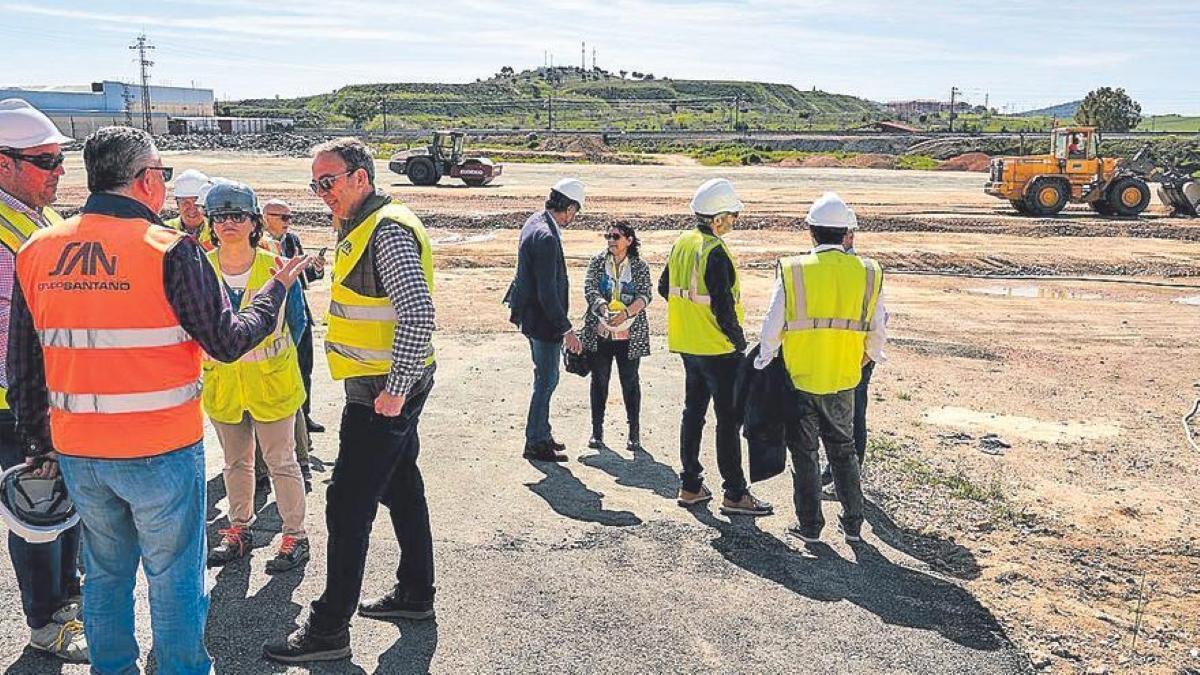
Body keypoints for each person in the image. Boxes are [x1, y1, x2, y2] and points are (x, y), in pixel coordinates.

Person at [8, 125, 309, 673]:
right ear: (147, 180)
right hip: (160, 449)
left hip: (80, 453)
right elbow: (227, 341)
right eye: (162, 175)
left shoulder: (38, 249)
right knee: (174, 579)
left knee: (104, 576)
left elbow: (24, 368)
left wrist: (40, 443)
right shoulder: (170, 251)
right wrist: (276, 291)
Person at [264, 138, 437, 663]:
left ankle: (329, 627)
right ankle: (415, 594)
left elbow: (419, 314)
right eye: (315, 184)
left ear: (361, 178)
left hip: (383, 391)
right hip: (378, 384)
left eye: (328, 182)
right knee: (401, 486)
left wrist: (396, 391)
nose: (321, 193)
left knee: (346, 501)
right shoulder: (360, 224)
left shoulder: (387, 229)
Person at [0, 98, 87, 662]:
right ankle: (44, 620)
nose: (59, 172)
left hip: (65, 396)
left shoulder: (50, 222)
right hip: (13, 404)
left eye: (60, 160)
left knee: (70, 506)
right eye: (45, 160)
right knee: (35, 510)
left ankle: (69, 603)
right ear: (2, 164)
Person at [753, 192, 886, 544]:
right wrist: (868, 357)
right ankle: (854, 525)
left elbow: (772, 325)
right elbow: (878, 327)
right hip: (844, 378)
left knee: (805, 454)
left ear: (810, 232)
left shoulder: (793, 269)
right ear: (846, 234)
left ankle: (810, 527)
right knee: (844, 451)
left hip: (801, 379)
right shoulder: (869, 272)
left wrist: (764, 361)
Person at [202, 182, 311, 574]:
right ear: (211, 224)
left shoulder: (273, 268)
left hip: (271, 384)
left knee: (281, 462)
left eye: (238, 216)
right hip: (225, 386)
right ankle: (239, 529)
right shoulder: (201, 268)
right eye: (220, 217)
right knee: (235, 463)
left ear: (254, 223)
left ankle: (294, 535)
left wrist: (267, 361)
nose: (228, 223)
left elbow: (297, 325)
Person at [659, 178, 772, 516]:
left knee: (692, 413)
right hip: (718, 350)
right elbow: (723, 307)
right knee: (727, 421)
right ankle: (735, 493)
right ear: (718, 217)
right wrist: (738, 343)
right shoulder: (715, 251)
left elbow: (665, 286)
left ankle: (690, 485)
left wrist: (691, 317)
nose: (733, 222)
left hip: (688, 346)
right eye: (732, 216)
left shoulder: (682, 242)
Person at [506, 178, 585, 463]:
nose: (574, 218)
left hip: (532, 315)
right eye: (576, 212)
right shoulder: (547, 237)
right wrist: (566, 329)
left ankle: (542, 431)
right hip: (542, 321)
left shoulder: (535, 222)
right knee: (547, 379)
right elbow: (547, 291)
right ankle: (535, 442)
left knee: (545, 378)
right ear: (570, 207)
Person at [821, 224, 887, 492]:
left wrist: (867, 356)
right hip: (829, 356)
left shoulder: (865, 272)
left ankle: (846, 480)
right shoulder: (823, 266)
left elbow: (878, 322)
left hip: (854, 359)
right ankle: (834, 473)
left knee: (852, 417)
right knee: (831, 419)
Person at [581, 222, 651, 451]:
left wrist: (626, 314)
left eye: (616, 236)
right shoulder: (597, 262)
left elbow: (646, 294)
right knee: (599, 382)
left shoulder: (639, 266)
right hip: (601, 334)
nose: (611, 240)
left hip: (629, 336)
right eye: (608, 236)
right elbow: (590, 289)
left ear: (629, 240)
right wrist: (602, 309)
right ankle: (596, 432)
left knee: (630, 383)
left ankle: (634, 434)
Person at [262, 197, 326, 434]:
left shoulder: (292, 240)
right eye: (283, 218)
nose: (288, 223)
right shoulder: (258, 244)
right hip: (274, 316)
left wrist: (316, 268)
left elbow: (302, 275)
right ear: (265, 218)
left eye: (290, 217)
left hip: (299, 312)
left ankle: (304, 417)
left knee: (304, 366)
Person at [164, 168, 212, 247]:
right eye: (186, 202)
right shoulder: (165, 230)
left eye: (197, 203)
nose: (192, 208)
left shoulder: (217, 232)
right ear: (177, 204)